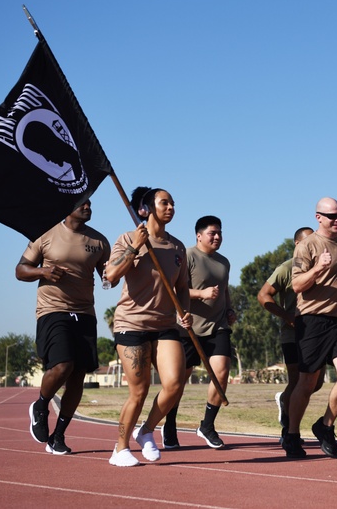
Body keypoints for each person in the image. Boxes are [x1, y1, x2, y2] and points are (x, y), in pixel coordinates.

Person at [103, 187, 192, 467]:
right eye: (164, 203)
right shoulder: (128, 238)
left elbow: (183, 287)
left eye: (173, 203)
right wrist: (134, 247)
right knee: (139, 391)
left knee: (175, 384)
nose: (171, 208)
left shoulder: (178, 247)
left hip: (165, 324)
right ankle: (119, 449)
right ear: (146, 209)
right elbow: (110, 275)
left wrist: (185, 311)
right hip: (132, 324)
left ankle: (146, 430)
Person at [17, 199, 110, 455]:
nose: (88, 206)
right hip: (52, 310)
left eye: (91, 202)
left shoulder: (100, 242)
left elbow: (108, 277)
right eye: (82, 203)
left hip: (85, 313)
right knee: (63, 366)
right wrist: (43, 272)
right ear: (66, 207)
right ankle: (41, 404)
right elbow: (20, 270)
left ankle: (58, 436)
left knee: (78, 377)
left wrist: (122, 265)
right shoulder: (45, 233)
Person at [282, 197, 337, 458]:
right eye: (332, 216)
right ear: (318, 217)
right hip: (312, 320)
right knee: (306, 383)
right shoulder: (306, 246)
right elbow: (297, 286)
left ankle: (325, 425)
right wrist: (318, 267)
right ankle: (292, 434)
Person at [152, 215, 235, 450]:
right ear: (199, 236)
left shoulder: (224, 262)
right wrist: (201, 294)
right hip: (187, 327)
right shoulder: (186, 256)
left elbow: (225, 290)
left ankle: (207, 426)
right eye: (212, 233)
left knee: (221, 373)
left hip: (217, 326)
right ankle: (169, 424)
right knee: (177, 382)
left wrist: (229, 309)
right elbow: (174, 289)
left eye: (220, 233)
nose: (217, 237)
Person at [257, 227, 325, 441]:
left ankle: (285, 399)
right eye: (308, 241)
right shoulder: (287, 268)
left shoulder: (322, 267)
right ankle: (289, 431)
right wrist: (288, 317)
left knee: (317, 382)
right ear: (298, 245)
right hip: (293, 335)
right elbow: (263, 295)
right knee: (297, 381)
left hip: (318, 334)